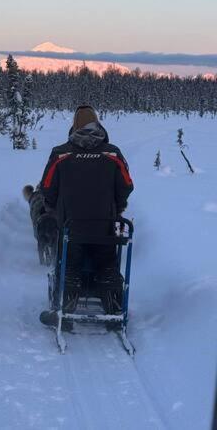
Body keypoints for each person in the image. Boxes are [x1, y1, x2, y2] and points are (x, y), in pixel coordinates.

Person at [38, 104, 133, 316]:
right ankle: (111, 296)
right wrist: (118, 206)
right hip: (105, 227)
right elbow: (126, 186)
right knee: (107, 261)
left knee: (69, 261)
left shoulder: (60, 153)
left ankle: (67, 299)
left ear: (74, 125)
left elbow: (47, 188)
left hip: (70, 226)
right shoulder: (113, 153)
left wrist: (53, 208)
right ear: (98, 123)